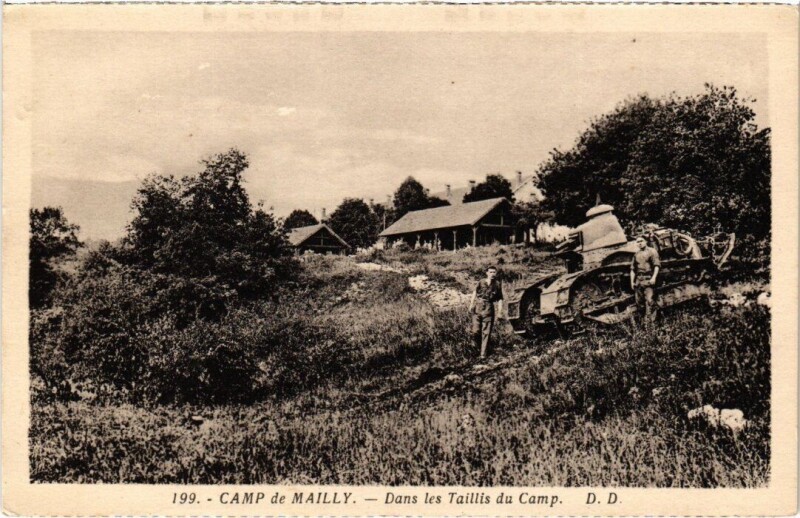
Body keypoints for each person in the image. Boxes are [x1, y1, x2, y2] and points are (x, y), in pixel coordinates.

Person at [468, 265, 504, 360]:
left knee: (486, 332)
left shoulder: (497, 284)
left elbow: (500, 299)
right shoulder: (481, 282)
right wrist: (471, 304)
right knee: (475, 331)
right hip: (478, 307)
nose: (492, 274)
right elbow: (475, 292)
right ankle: (477, 348)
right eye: (490, 272)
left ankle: (483, 354)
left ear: (496, 273)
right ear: (487, 273)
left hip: (489, 308)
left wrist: (500, 311)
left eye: (494, 272)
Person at [630, 236, 661, 325]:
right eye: (638, 242)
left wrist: (654, 277)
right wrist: (632, 281)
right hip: (638, 280)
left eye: (641, 241)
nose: (639, 243)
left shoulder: (652, 251)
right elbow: (632, 269)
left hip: (648, 279)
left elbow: (656, 265)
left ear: (646, 241)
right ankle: (644, 322)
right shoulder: (636, 254)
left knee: (650, 300)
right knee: (639, 302)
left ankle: (652, 323)